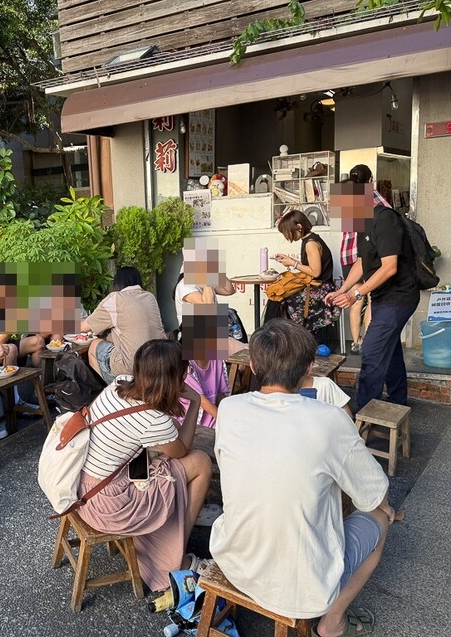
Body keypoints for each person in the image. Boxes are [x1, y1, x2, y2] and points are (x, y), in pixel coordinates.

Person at [211, 319, 393, 637]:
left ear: (253, 366)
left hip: (234, 561)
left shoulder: (229, 408)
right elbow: (373, 495)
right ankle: (333, 622)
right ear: (310, 369)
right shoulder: (330, 419)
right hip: (303, 590)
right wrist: (386, 508)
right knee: (380, 517)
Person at [76, 339, 213, 591]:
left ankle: (180, 512)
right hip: (111, 505)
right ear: (176, 378)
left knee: (162, 455)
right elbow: (182, 450)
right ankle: (177, 552)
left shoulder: (119, 383)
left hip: (83, 487)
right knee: (201, 462)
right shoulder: (153, 420)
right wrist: (195, 402)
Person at [326, 180, 418, 411]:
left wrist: (356, 294)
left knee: (371, 352)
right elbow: (361, 262)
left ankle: (364, 414)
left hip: (399, 297)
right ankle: (398, 402)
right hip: (383, 298)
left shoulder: (385, 219)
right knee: (390, 350)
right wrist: (342, 290)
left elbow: (390, 267)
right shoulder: (363, 225)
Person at [264, 209, 340, 346]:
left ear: (299, 227)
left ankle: (277, 342)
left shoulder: (311, 244)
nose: (287, 236)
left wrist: (293, 263)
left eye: (288, 232)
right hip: (316, 286)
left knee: (278, 299)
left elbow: (315, 272)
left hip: (321, 289)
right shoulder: (309, 240)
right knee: (277, 295)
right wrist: (290, 260)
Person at [80, 267, 167, 384]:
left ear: (117, 283)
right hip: (159, 362)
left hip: (133, 368)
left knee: (94, 345)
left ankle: (102, 390)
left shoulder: (115, 298)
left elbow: (83, 327)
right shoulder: (150, 297)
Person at [340, 165, 389, 354]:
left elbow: (343, 225)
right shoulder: (371, 195)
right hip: (366, 255)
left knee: (355, 298)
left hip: (346, 254)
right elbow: (388, 214)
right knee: (371, 297)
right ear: (370, 180)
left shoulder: (344, 195)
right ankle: (369, 343)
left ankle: (355, 342)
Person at [175, 240, 245, 355]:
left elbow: (229, 290)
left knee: (244, 349)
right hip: (195, 337)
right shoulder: (184, 285)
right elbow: (208, 307)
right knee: (241, 351)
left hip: (213, 333)